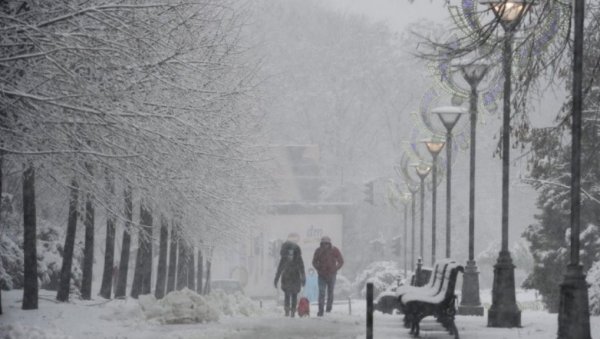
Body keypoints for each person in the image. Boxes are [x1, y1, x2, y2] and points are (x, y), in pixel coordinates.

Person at [274, 233, 306, 317]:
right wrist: (303, 278)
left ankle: (288, 310)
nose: (290, 254)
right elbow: (301, 268)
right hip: (294, 277)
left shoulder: (284, 257)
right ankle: (291, 311)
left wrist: (276, 279)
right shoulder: (298, 257)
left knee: (288, 295)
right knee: (293, 295)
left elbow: (280, 269)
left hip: (287, 277)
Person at [312, 235, 344, 317]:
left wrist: (335, 268)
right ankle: (321, 311)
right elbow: (314, 262)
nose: (325, 245)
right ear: (321, 243)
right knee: (322, 293)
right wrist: (318, 268)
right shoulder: (318, 251)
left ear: (329, 243)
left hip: (332, 275)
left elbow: (341, 261)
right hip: (321, 275)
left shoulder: (334, 250)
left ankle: (329, 308)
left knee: (330, 292)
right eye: (323, 243)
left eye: (327, 243)